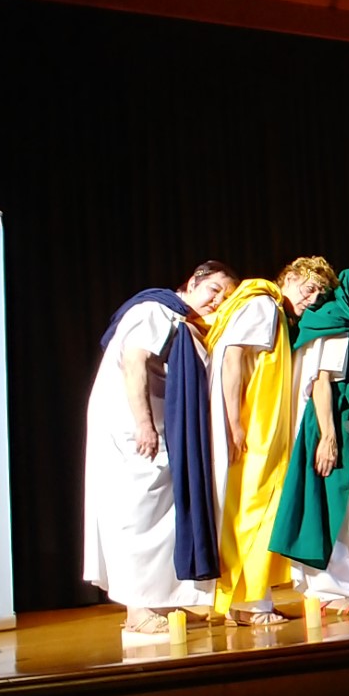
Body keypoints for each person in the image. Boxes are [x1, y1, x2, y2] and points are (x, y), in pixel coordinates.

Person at [83, 261, 231, 635]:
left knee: (163, 518)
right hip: (132, 427)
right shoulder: (155, 310)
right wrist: (143, 424)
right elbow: (134, 363)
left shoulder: (180, 320)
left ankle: (161, 600)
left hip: (161, 427)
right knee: (138, 515)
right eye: (214, 290)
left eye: (225, 298)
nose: (217, 301)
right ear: (193, 281)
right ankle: (137, 609)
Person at [206, 257, 331, 625]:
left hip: (257, 424)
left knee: (251, 508)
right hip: (253, 426)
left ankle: (246, 600)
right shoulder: (264, 304)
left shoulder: (267, 307)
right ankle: (250, 604)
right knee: (253, 508)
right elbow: (233, 358)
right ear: (289, 277)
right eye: (308, 288)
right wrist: (234, 421)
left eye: (318, 295)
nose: (311, 299)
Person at [270, 266, 349, 619]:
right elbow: (322, 382)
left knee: (324, 503)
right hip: (322, 421)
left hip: (315, 419)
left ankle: (331, 589)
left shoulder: (312, 323)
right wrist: (328, 436)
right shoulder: (335, 323)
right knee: (328, 504)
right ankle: (330, 591)